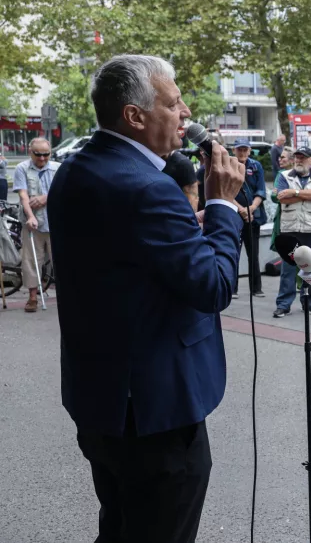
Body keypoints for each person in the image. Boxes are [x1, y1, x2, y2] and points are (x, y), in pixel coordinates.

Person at [47, 54, 246, 541]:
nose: (187, 115)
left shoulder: (77, 169)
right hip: (155, 411)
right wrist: (221, 205)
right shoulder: (148, 190)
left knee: (119, 526)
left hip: (102, 399)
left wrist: (183, 235)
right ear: (135, 116)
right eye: (175, 103)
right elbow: (213, 286)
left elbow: (125, 258)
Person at [273, 146, 311, 318]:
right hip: (290, 228)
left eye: (303, 157)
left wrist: (294, 193)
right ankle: (283, 304)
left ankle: (309, 303)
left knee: (310, 267)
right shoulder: (283, 175)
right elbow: (280, 197)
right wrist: (305, 195)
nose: (298, 160)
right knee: (288, 269)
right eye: (297, 157)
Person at [12, 137, 57, 312]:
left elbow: (63, 192)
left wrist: (46, 198)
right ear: (30, 152)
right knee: (31, 261)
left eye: (46, 154)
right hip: (33, 223)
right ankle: (32, 297)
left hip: (55, 222)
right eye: (38, 154)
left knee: (61, 260)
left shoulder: (58, 168)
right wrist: (30, 217)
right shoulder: (21, 168)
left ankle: (67, 295)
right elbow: (23, 196)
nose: (42, 158)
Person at [231, 138, 267, 299]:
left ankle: (256, 288)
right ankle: (232, 288)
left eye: (245, 150)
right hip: (234, 215)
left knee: (253, 254)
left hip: (253, 215)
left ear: (250, 151)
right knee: (233, 254)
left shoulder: (256, 166)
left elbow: (261, 190)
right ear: (234, 151)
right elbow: (224, 191)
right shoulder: (228, 166)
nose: (243, 153)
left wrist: (251, 208)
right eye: (240, 150)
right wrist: (241, 209)